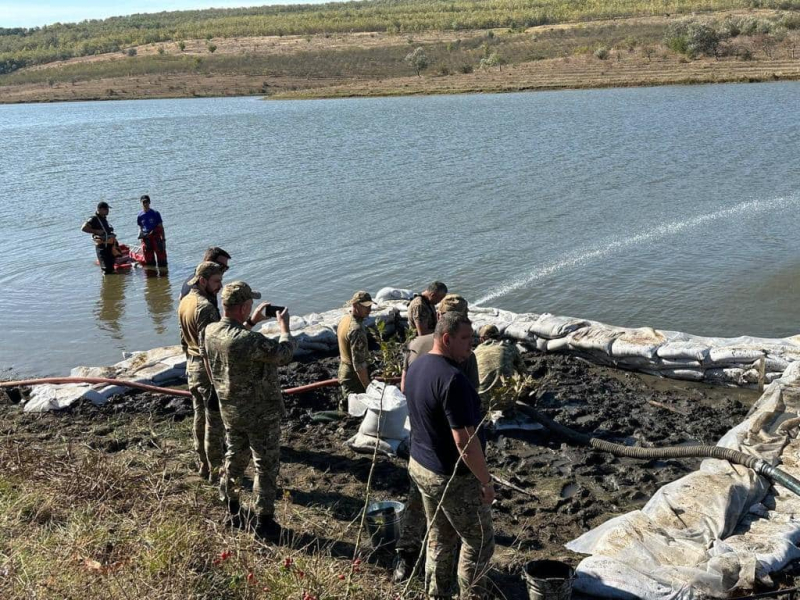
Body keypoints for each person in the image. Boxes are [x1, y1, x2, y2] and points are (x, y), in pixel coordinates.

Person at [405, 312, 495, 600]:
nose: (473, 345)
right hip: (451, 477)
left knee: (440, 537)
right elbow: (464, 441)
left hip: (421, 466)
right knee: (479, 542)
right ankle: (471, 596)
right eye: (466, 339)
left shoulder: (418, 366)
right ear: (446, 338)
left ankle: (437, 593)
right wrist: (485, 481)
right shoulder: (453, 379)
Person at [394, 293, 478, 584]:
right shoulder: (461, 359)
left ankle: (405, 560)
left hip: (419, 445)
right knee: (462, 531)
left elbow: (404, 388)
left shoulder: (415, 346)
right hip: (447, 459)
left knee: (418, 507)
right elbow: (468, 411)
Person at [202, 281, 296, 540]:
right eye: (250, 305)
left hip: (230, 409)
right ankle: (264, 522)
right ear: (243, 306)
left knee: (234, 458)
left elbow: (232, 344)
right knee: (265, 465)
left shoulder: (210, 331)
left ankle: (232, 509)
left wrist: (252, 322)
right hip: (260, 413)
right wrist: (284, 328)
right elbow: (284, 354)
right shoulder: (250, 341)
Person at [178, 261, 225, 481]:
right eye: (216, 281)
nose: (220, 286)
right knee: (213, 422)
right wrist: (217, 380)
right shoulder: (205, 307)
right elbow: (210, 348)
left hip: (192, 365)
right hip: (206, 369)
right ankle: (215, 469)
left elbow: (183, 340)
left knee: (199, 415)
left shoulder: (185, 300)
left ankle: (203, 464)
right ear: (203, 280)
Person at [474, 324, 528, 413]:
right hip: (506, 402)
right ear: (499, 337)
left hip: (481, 403)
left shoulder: (475, 352)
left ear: (482, 339)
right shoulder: (509, 348)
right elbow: (524, 372)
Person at [337, 291, 374, 411]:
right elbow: (359, 364)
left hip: (343, 369)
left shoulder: (345, 319)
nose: (369, 310)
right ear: (356, 306)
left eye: (370, 306)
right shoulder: (357, 330)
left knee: (349, 403)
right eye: (366, 307)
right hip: (352, 376)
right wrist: (368, 387)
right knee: (357, 410)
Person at [81, 201, 116, 274]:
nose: (108, 211)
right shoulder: (94, 219)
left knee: (111, 268)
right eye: (106, 209)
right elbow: (83, 228)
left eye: (107, 209)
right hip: (102, 247)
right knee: (106, 269)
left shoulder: (103, 219)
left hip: (109, 246)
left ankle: (109, 284)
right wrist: (96, 231)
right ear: (99, 209)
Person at [137, 195, 168, 267]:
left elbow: (161, 228)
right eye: (143, 202)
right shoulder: (140, 215)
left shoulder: (155, 213)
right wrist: (141, 238)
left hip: (156, 238)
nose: (145, 204)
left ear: (149, 202)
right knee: (149, 262)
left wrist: (163, 240)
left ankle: (164, 276)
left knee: (162, 261)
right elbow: (140, 227)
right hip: (146, 239)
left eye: (146, 202)